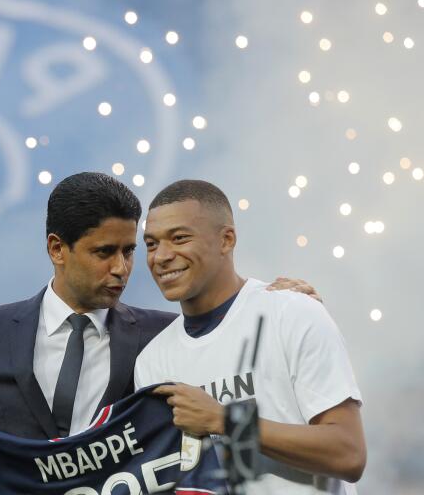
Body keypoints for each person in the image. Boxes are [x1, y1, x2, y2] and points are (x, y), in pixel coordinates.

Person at [0, 172, 320, 495]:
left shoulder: (164, 339)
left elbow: (226, 434)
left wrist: (274, 302)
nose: (121, 268)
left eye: (129, 251)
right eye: (104, 252)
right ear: (57, 249)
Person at [133, 179, 366, 494]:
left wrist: (225, 420)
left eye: (179, 238)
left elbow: (349, 453)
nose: (161, 256)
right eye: (151, 243)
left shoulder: (292, 313)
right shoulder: (152, 361)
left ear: (226, 240)